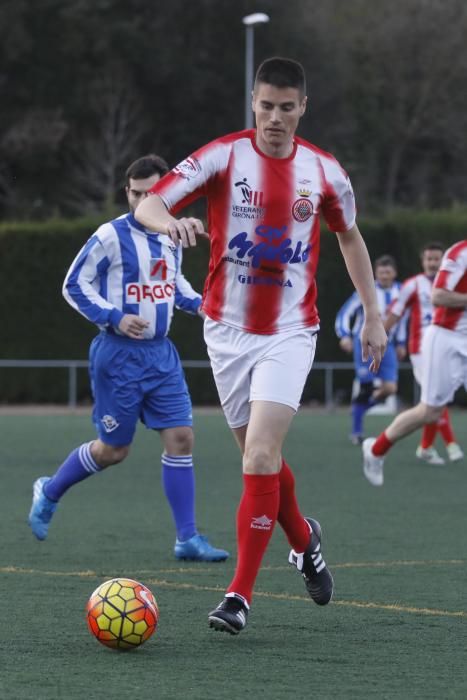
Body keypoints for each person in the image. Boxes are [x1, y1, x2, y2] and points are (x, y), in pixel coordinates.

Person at [135, 57, 387, 634]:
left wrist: (373, 312)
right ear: (253, 101)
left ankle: (238, 597)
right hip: (225, 332)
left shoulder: (324, 172)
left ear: (303, 108)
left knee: (260, 457)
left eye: (286, 107)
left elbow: (349, 237)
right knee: (260, 461)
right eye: (266, 105)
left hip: (291, 332)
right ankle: (304, 540)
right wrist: (165, 223)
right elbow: (151, 203)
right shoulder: (223, 155)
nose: (275, 117)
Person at [28, 154, 229, 563]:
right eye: (136, 194)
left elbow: (174, 286)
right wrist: (114, 317)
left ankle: (187, 538)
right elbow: (73, 285)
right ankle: (49, 490)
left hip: (162, 356)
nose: (142, 203)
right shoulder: (110, 235)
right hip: (117, 357)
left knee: (181, 438)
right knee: (114, 450)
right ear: (127, 193)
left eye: (151, 194)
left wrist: (206, 305)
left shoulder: (171, 237)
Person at [362, 239, 467, 487]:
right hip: (444, 339)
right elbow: (438, 295)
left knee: (435, 410)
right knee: (430, 411)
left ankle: (442, 446)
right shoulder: (460, 252)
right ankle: (376, 450)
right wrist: (381, 336)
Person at [385, 242, 463, 465]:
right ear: (422, 261)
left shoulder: (455, 282)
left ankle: (426, 447)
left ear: (443, 260)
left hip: (448, 345)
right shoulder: (413, 284)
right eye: (428, 259)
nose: (432, 263)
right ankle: (451, 444)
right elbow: (396, 312)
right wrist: (380, 334)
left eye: (436, 259)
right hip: (421, 348)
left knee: (435, 400)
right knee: (436, 399)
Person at [335, 255, 407, 445]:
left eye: (388, 272)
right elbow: (345, 313)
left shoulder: (401, 291)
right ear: (376, 273)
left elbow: (402, 319)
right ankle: (357, 431)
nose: (384, 276)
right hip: (365, 345)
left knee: (390, 388)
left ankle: (358, 408)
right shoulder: (366, 290)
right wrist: (345, 335)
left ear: (394, 273)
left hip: (388, 345)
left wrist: (401, 343)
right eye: (381, 272)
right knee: (366, 387)